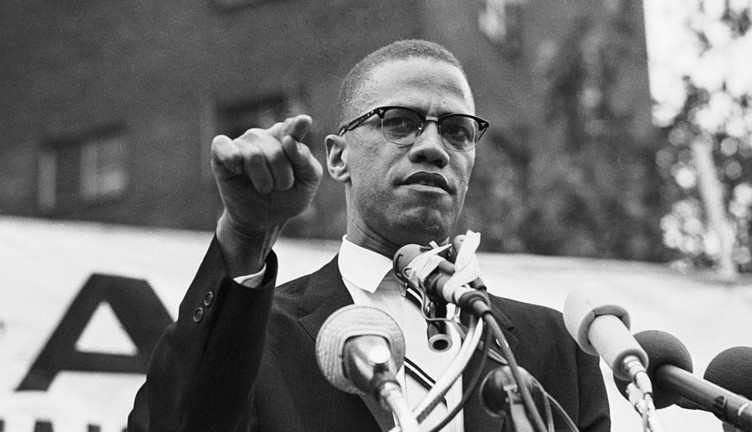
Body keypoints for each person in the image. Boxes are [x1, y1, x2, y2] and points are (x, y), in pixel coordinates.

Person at [128, 39, 610, 432]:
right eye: (400, 123)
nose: (432, 148)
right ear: (338, 158)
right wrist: (245, 237)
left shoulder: (557, 350)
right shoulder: (259, 336)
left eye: (458, 131)